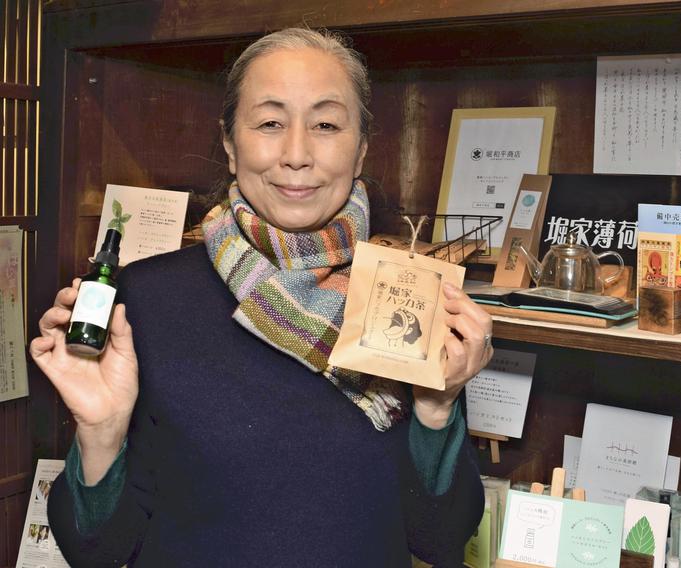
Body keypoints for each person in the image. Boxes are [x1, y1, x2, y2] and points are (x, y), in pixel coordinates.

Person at [31, 27, 492, 567]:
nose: (296, 155)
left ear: (362, 148)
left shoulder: (404, 299)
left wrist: (436, 406)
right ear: (230, 144)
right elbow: (98, 552)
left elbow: (438, 538)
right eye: (270, 123)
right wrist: (102, 433)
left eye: (325, 124)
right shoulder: (144, 300)